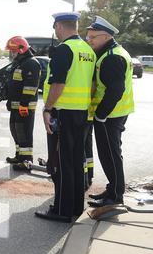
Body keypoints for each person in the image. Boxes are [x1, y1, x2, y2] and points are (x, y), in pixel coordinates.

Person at [35, 12, 95, 222]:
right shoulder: (88, 50)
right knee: (76, 161)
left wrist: (47, 109)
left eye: (55, 28)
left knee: (61, 163)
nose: (56, 32)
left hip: (63, 113)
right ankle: (76, 207)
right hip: (82, 113)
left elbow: (58, 84)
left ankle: (61, 210)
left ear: (60, 26)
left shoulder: (64, 50)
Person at [84, 16, 135, 207]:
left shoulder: (111, 57)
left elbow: (115, 90)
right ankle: (113, 188)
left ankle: (114, 196)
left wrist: (101, 114)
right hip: (116, 113)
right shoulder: (115, 52)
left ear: (105, 36)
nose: (89, 41)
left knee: (110, 155)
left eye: (93, 37)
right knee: (111, 154)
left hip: (109, 116)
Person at [2, 36, 41, 170]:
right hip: (16, 106)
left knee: (24, 133)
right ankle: (19, 156)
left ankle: (26, 160)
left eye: (13, 51)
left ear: (21, 49)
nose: (11, 54)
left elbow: (30, 87)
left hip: (25, 107)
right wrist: (9, 100)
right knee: (16, 131)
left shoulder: (31, 63)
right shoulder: (20, 63)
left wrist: (24, 104)